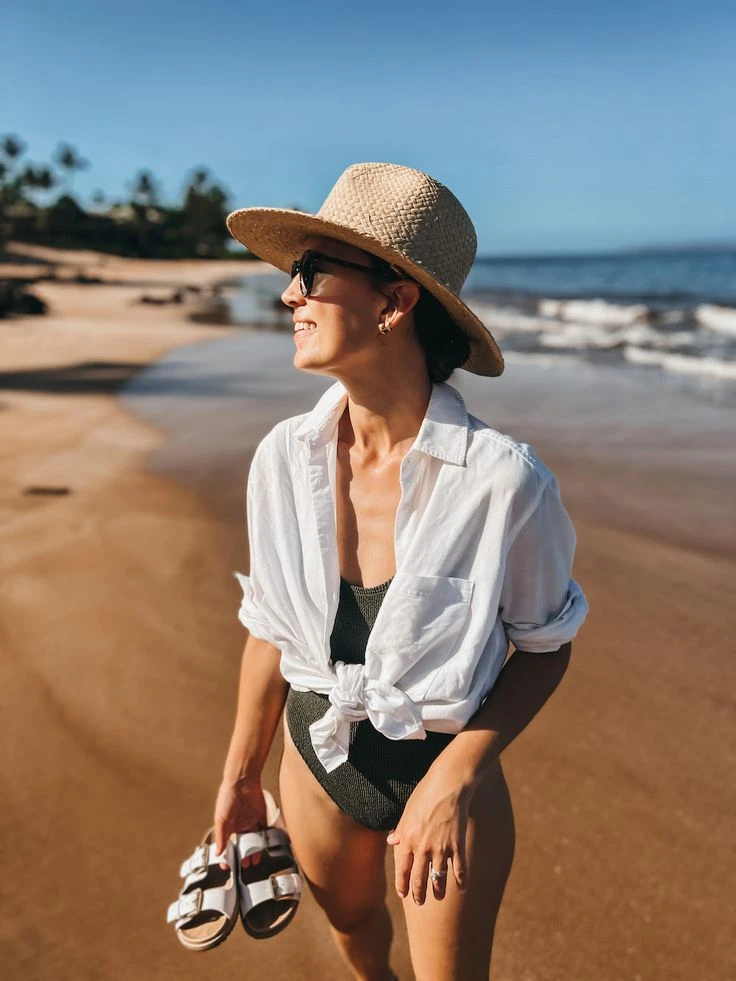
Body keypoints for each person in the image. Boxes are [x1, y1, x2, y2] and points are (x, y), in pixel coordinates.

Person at [213, 162, 589, 980]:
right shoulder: (281, 459)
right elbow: (269, 629)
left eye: (311, 273)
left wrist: (453, 779)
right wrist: (241, 777)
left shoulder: (503, 482)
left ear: (395, 300)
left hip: (443, 773)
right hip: (314, 768)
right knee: (356, 936)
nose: (289, 297)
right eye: (292, 277)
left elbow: (548, 645)